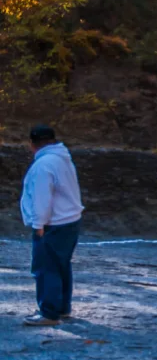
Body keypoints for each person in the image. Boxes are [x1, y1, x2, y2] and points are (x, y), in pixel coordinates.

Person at [20, 125, 85, 327]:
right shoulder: (63, 158)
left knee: (46, 268)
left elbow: (42, 198)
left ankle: (49, 312)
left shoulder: (43, 165)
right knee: (62, 265)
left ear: (32, 144)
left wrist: (38, 224)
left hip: (52, 223)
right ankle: (62, 307)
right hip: (70, 220)